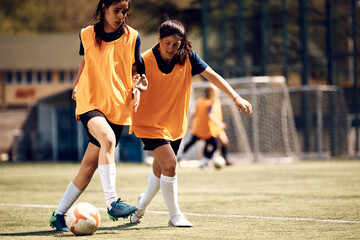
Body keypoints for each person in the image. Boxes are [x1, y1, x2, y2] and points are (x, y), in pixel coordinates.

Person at [129, 19, 252, 227]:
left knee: (160, 170)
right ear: (159, 40)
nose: (171, 48)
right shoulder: (142, 61)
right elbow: (129, 85)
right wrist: (135, 91)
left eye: (176, 44)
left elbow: (212, 75)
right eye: (167, 43)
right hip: (148, 123)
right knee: (170, 165)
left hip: (174, 125)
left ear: (181, 43)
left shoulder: (188, 58)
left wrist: (235, 96)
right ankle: (175, 215)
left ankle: (140, 207)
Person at [49, 0, 147, 232]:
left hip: (118, 106)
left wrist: (138, 85)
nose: (121, 16)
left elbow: (137, 71)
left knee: (88, 167)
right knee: (108, 140)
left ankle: (58, 215)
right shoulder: (86, 34)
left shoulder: (133, 37)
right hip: (90, 102)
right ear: (103, 8)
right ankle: (113, 203)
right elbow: (87, 61)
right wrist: (76, 85)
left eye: (125, 12)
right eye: (116, 11)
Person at [179, 86, 225, 168]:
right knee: (213, 145)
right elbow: (210, 115)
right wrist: (219, 124)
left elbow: (194, 113)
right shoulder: (211, 102)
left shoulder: (200, 101)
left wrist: (191, 123)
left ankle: (180, 155)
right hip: (208, 129)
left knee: (191, 143)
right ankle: (205, 161)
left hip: (199, 128)